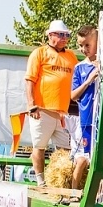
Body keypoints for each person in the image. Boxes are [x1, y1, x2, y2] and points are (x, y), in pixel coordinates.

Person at [69, 24, 103, 189]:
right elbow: (73, 95)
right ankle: (74, 191)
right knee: (83, 158)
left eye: (87, 45)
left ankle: (102, 191)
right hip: (86, 119)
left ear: (98, 42)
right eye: (80, 45)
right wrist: (88, 80)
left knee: (102, 158)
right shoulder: (79, 67)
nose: (83, 49)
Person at [25, 20, 79, 182]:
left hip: (63, 112)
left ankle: (58, 181)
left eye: (67, 35)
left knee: (65, 149)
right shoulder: (39, 53)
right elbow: (29, 80)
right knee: (39, 146)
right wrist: (31, 104)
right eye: (61, 34)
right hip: (42, 110)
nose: (65, 38)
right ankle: (41, 181)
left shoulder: (71, 55)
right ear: (50, 35)